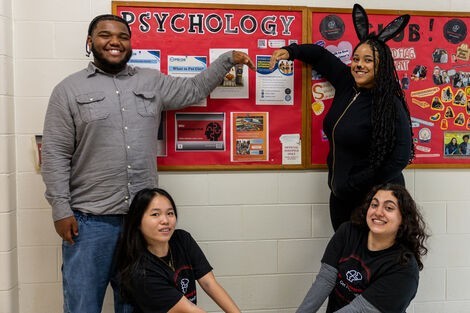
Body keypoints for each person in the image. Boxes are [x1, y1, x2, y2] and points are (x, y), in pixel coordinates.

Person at [40, 14, 255, 313]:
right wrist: (60, 209)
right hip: (90, 224)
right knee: (82, 305)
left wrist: (227, 60)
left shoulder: (150, 82)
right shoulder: (68, 90)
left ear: (130, 44)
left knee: (137, 307)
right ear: (90, 43)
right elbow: (55, 153)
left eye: (122, 36)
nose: (114, 41)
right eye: (104, 35)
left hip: (141, 225)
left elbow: (193, 90)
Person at [270, 4, 414, 230]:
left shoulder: (390, 104)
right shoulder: (348, 84)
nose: (359, 65)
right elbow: (319, 56)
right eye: (356, 59)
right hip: (341, 197)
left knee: (371, 261)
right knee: (346, 258)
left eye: (368, 60)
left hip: (375, 202)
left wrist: (358, 183)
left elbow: (399, 158)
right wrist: (291, 51)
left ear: (382, 66)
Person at [296, 184, 428, 313]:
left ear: (403, 219)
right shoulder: (347, 232)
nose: (378, 212)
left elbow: (360, 309)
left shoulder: (404, 268)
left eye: (388, 208)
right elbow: (325, 279)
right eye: (374, 205)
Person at [115, 188, 241, 313]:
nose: (165, 221)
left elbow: (209, 283)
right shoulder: (141, 272)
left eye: (170, 213)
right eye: (155, 214)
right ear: (138, 222)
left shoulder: (182, 239)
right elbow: (190, 310)